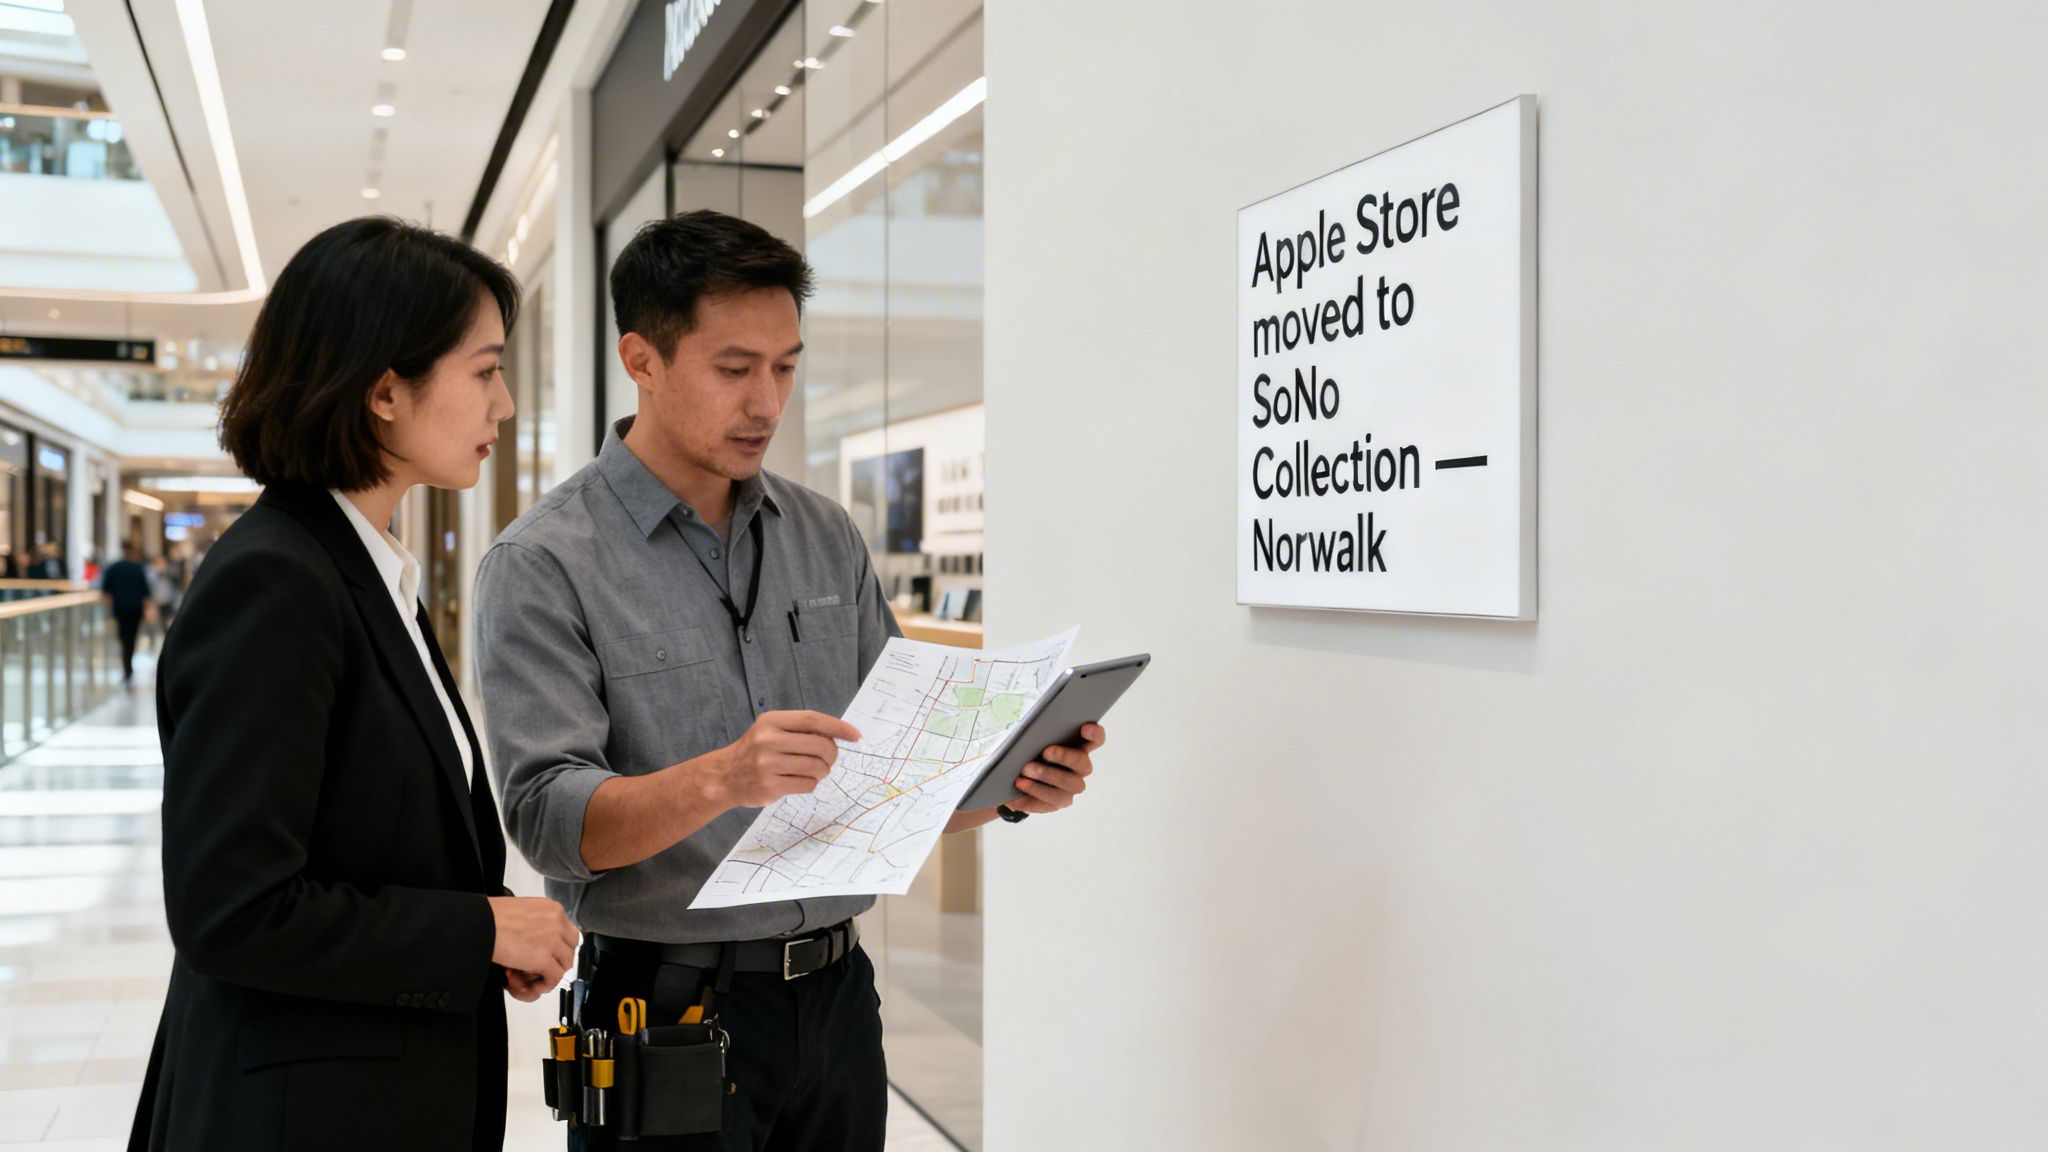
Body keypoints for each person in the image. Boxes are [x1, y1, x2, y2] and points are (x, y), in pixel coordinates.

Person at [474, 210, 1106, 1152]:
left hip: (838, 1002)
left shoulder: (825, 535)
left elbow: (889, 781)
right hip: (664, 1010)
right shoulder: (544, 563)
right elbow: (549, 823)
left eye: (785, 366)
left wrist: (1007, 787)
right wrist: (723, 778)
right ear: (641, 360)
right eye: (735, 369)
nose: (768, 401)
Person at [129, 216, 579, 1152]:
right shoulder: (278, 582)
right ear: (384, 390)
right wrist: (479, 934)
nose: (502, 406)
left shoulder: (364, 571)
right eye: (485, 370)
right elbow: (232, 909)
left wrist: (481, 932)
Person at [96, 542, 151, 684]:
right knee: (131, 638)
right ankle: (128, 666)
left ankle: (127, 666)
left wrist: (108, 610)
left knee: (123, 637)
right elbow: (146, 592)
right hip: (134, 610)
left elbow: (105, 591)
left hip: (120, 609)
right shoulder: (137, 568)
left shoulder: (114, 568)